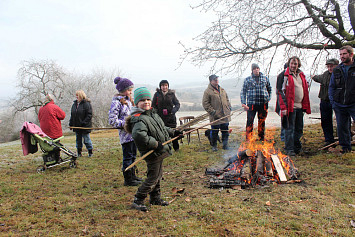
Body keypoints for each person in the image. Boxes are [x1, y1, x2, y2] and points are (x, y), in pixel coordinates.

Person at [124, 87, 183, 212]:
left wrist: (174, 132)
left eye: (148, 99)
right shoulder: (139, 118)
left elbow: (162, 128)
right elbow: (139, 135)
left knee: (157, 175)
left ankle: (155, 198)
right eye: (142, 100)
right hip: (152, 152)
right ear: (137, 103)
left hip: (159, 151)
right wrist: (155, 144)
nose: (146, 102)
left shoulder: (152, 113)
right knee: (153, 177)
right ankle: (138, 199)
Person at [108, 77, 142, 186]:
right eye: (129, 90)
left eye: (131, 90)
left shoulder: (129, 101)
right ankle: (128, 179)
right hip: (125, 136)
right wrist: (126, 123)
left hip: (133, 134)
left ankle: (133, 176)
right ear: (122, 90)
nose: (131, 92)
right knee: (127, 157)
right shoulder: (116, 103)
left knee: (133, 156)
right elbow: (112, 121)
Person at [276, 56, 311, 156]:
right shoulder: (283, 75)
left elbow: (303, 88)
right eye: (291, 63)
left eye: (295, 64)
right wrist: (283, 107)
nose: (293, 65)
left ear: (298, 65)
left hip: (300, 106)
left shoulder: (301, 75)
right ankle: (289, 149)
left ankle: (297, 148)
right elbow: (279, 92)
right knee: (289, 129)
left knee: (299, 129)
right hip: (289, 107)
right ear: (288, 64)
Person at [329, 45, 355, 153]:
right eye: (340, 54)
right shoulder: (337, 70)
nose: (342, 56)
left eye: (344, 54)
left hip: (353, 103)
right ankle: (346, 149)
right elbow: (332, 86)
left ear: (351, 54)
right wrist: (333, 102)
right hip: (340, 104)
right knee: (342, 128)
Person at [311, 58, 339, 146]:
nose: (330, 68)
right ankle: (329, 140)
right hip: (324, 101)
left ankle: (344, 139)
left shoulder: (340, 74)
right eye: (328, 66)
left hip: (337, 102)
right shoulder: (325, 75)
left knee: (341, 121)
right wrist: (313, 76)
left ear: (336, 66)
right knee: (325, 121)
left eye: (332, 66)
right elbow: (318, 78)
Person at [241, 63, 272, 141]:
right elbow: (243, 92)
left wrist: (268, 98)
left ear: (259, 69)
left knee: (262, 121)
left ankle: (261, 137)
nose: (256, 70)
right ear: (252, 70)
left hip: (263, 104)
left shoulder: (265, 78)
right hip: (251, 104)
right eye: (254, 68)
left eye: (257, 68)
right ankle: (248, 138)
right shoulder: (248, 79)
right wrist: (243, 103)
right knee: (250, 121)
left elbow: (269, 89)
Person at [202, 74, 232, 151]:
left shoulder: (222, 90)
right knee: (214, 132)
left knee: (225, 131)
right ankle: (214, 146)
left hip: (224, 115)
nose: (217, 81)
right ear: (211, 81)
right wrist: (213, 112)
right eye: (215, 80)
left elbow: (227, 99)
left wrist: (229, 107)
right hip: (215, 116)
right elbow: (205, 103)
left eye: (217, 79)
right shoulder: (207, 91)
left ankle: (225, 145)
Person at [152, 80, 181, 151]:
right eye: (162, 85)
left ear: (168, 86)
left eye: (166, 85)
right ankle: (166, 148)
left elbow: (177, 104)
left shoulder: (171, 94)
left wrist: (173, 111)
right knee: (162, 133)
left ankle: (176, 148)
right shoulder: (157, 94)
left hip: (171, 117)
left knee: (173, 132)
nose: (164, 87)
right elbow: (153, 105)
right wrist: (156, 113)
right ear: (160, 87)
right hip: (160, 117)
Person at [38, 94, 66, 162]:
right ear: (52, 100)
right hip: (54, 131)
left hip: (45, 133)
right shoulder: (54, 107)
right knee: (56, 145)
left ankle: (51, 158)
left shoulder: (41, 108)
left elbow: (39, 118)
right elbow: (63, 116)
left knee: (50, 146)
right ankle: (57, 158)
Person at [69, 89, 94, 157]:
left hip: (84, 126)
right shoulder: (74, 105)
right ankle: (79, 153)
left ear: (81, 96)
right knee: (78, 140)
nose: (76, 97)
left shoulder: (86, 104)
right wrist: (71, 124)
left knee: (86, 139)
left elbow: (89, 115)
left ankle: (90, 152)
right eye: (76, 95)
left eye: (78, 95)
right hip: (77, 126)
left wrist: (84, 123)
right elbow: (72, 115)